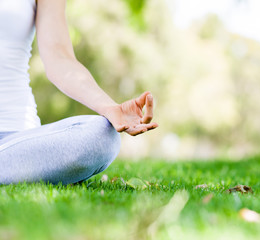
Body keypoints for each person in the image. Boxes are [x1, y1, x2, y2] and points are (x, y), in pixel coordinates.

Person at [0, 0, 158, 185]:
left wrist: (109, 107)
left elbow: (59, 57)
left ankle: (14, 165)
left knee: (102, 136)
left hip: (18, 143)